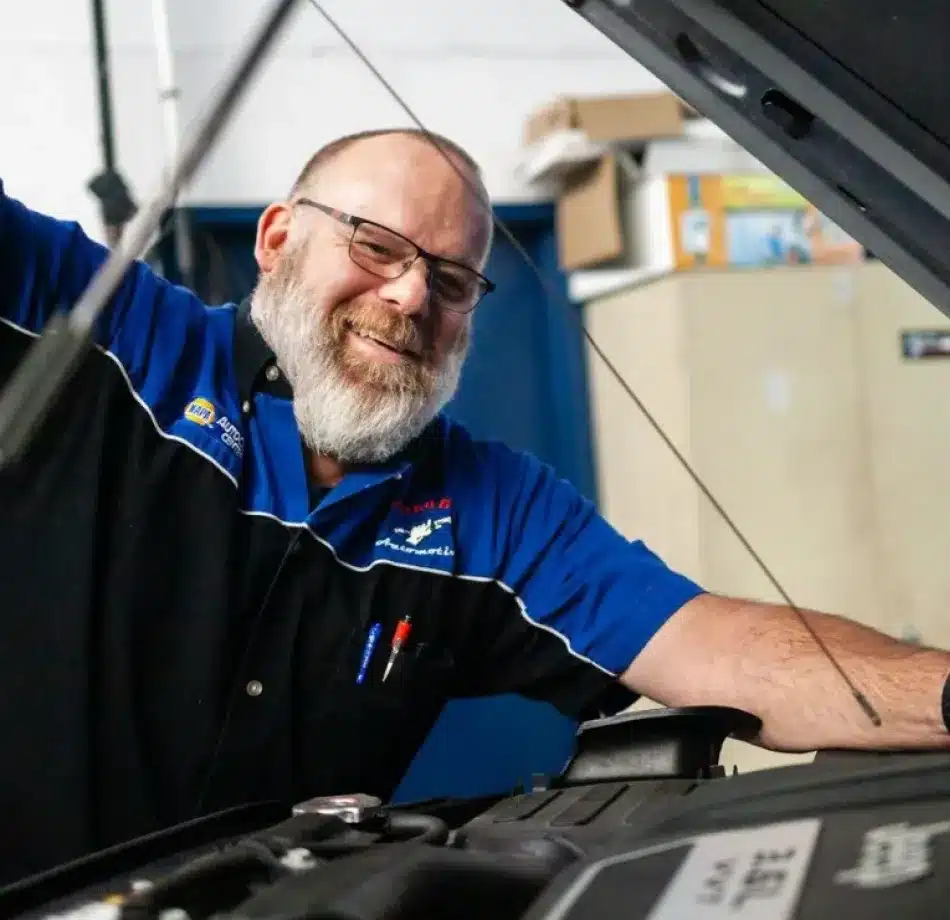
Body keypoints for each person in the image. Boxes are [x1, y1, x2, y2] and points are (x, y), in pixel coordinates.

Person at [0, 126, 948, 885]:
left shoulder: (495, 512)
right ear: (278, 238)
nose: (411, 295)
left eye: (453, 282)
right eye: (377, 247)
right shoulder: (108, 333)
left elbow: (724, 650)